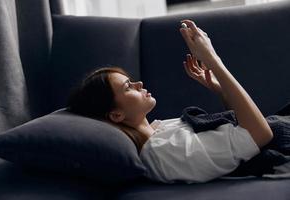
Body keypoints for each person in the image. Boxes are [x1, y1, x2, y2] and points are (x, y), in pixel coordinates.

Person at [67, 20, 273, 184]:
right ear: (116, 115)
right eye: (128, 87)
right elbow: (259, 135)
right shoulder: (163, 152)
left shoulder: (160, 129)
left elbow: (239, 129)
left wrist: (219, 89)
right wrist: (213, 60)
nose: (138, 83)